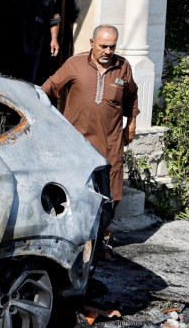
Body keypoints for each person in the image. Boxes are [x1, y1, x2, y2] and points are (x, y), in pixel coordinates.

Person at [41, 24, 139, 204]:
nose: (108, 51)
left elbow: (131, 95)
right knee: (73, 184)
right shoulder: (75, 63)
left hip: (110, 139)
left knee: (111, 186)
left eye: (112, 46)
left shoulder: (123, 67)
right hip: (78, 139)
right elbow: (48, 88)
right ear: (92, 43)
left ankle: (105, 228)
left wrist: (131, 123)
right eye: (103, 46)